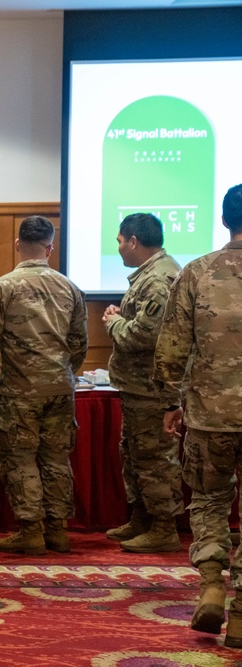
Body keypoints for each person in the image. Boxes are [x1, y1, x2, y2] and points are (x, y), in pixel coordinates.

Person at [153, 183, 242, 644]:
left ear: (226, 221)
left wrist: (170, 402)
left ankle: (211, 586)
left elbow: (171, 346)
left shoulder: (196, 272)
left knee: (209, 501)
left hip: (209, 415)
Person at [0, 215, 88, 556]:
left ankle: (31, 531)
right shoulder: (70, 287)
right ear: (50, 247)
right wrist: (64, 372)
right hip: (60, 389)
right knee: (55, 458)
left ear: (18, 244)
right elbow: (80, 342)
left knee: (19, 459)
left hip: (19, 390)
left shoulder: (1, 288)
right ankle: (58, 531)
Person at [101, 212, 183, 553]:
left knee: (154, 460)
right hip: (138, 387)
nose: (118, 248)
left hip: (152, 389)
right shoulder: (150, 275)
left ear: (133, 241)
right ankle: (143, 519)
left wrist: (113, 322)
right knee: (134, 455)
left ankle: (164, 528)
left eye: (120, 241)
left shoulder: (158, 280)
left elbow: (142, 336)